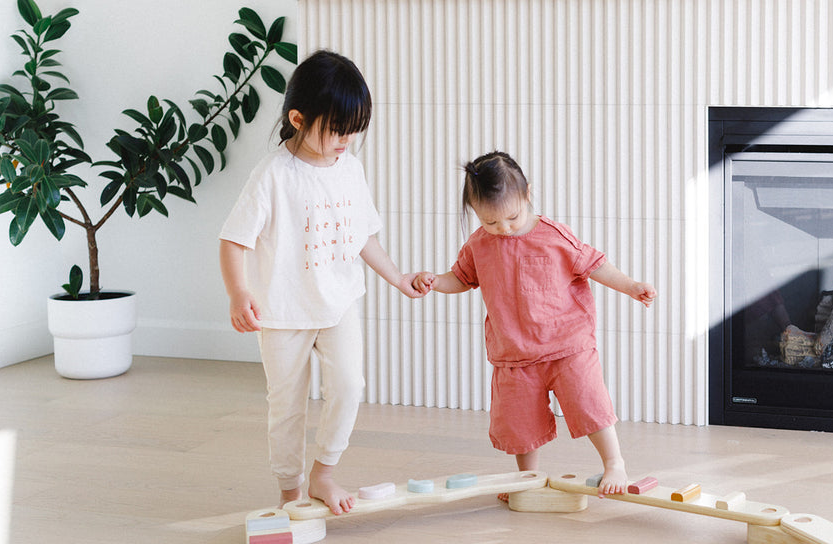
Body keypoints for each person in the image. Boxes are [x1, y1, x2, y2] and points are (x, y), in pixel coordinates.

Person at [219, 50, 431, 514]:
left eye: (355, 129)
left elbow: (362, 237)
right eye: (338, 129)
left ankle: (324, 473)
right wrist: (239, 293)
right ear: (298, 118)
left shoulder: (350, 169)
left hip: (338, 304)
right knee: (287, 406)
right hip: (282, 312)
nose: (347, 140)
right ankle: (290, 490)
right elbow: (233, 241)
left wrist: (398, 278)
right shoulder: (273, 176)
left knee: (350, 385)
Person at [419, 151, 656, 497]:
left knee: (588, 402)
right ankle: (527, 478)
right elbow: (461, 277)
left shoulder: (554, 235)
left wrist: (632, 286)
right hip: (514, 352)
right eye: (490, 222)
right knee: (518, 422)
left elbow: (595, 264)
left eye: (512, 217)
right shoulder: (479, 245)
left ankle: (614, 462)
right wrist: (434, 281)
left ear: (527, 194)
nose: (503, 228)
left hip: (567, 344)